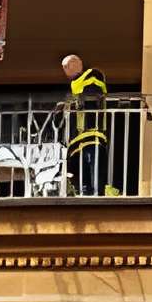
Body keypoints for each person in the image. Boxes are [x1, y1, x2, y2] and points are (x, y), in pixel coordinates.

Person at [61, 53, 113, 196]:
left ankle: (96, 196)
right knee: (82, 174)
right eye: (63, 67)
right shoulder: (75, 83)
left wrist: (77, 102)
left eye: (67, 66)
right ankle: (85, 194)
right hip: (79, 138)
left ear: (78, 65)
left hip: (93, 132)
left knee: (95, 171)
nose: (65, 70)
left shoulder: (93, 75)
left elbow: (93, 94)